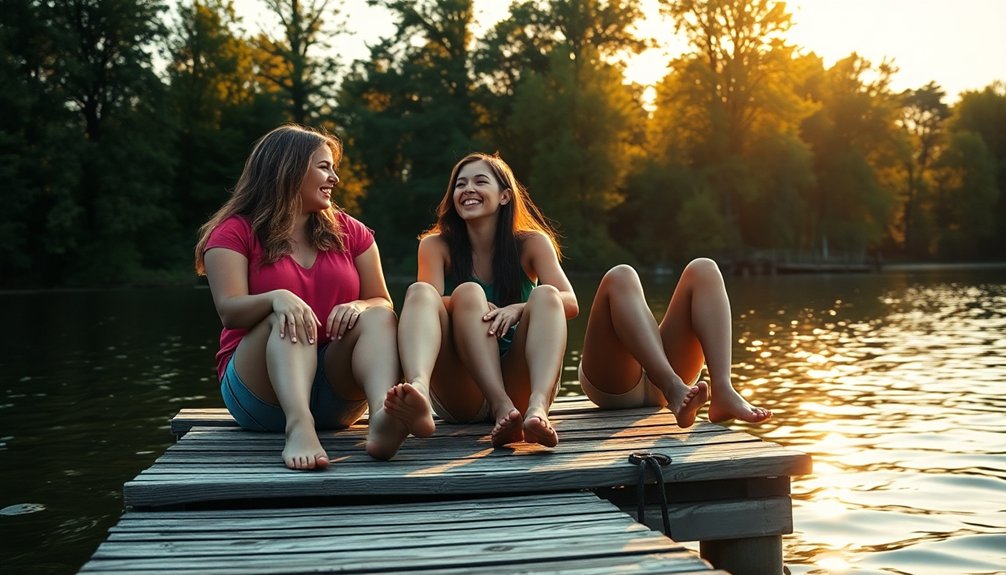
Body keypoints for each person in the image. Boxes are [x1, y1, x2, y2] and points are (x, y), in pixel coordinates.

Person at [194, 124, 412, 471]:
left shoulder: (352, 232)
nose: (334, 179)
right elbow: (230, 311)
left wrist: (359, 305)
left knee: (378, 316)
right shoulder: (233, 232)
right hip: (262, 396)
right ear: (289, 168)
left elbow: (382, 301)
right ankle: (299, 426)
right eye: (324, 167)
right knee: (286, 314)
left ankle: (382, 419)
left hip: (336, 398)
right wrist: (277, 298)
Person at [389, 152, 578, 448]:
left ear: (504, 196)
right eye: (460, 184)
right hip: (463, 392)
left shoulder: (532, 243)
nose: (467, 190)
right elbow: (428, 306)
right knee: (425, 291)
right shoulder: (435, 245)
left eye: (480, 181)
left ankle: (538, 410)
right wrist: (469, 304)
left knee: (546, 294)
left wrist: (516, 309)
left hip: (520, 387)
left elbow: (570, 303)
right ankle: (420, 392)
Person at [578, 261, 772, 427]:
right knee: (621, 275)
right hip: (615, 383)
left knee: (704, 268)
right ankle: (671, 385)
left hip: (675, 378)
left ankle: (723, 390)